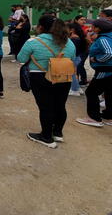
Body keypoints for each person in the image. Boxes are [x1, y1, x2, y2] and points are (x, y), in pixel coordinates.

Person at [17, 16, 76, 148]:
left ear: (41, 27)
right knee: (60, 105)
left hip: (40, 77)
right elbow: (72, 57)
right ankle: (58, 133)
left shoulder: (33, 42)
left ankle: (46, 137)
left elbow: (21, 58)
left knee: (46, 107)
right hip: (63, 76)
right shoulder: (69, 42)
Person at [76, 19, 112, 128]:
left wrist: (96, 59)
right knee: (110, 92)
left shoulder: (103, 39)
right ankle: (109, 116)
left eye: (93, 26)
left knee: (91, 92)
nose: (91, 28)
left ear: (98, 28)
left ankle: (94, 118)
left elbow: (109, 53)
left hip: (106, 69)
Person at [68, 22, 88, 96]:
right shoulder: (78, 37)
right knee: (74, 73)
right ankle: (77, 88)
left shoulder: (74, 39)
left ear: (72, 30)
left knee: (72, 74)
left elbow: (72, 50)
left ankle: (74, 89)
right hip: (77, 57)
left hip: (74, 58)